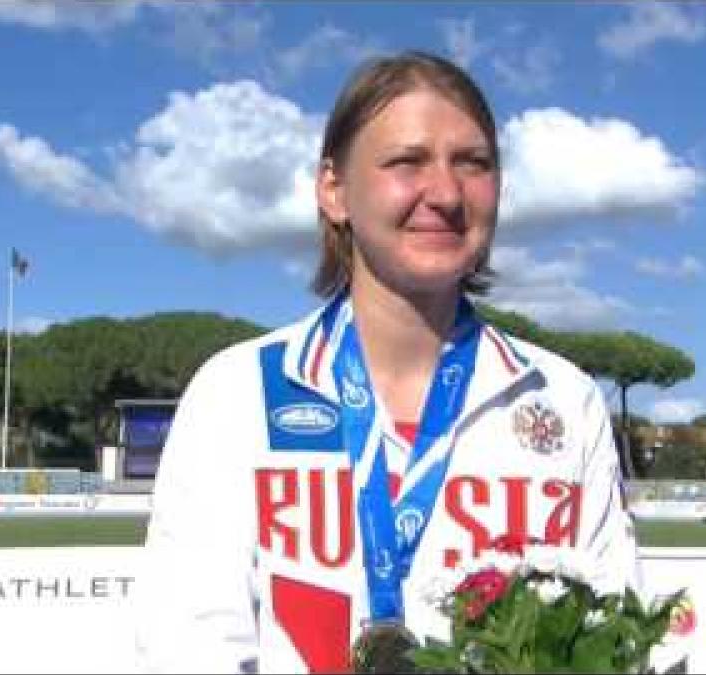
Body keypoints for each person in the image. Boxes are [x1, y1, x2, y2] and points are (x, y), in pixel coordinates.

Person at [135, 50, 640, 674]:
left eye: (473, 163)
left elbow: (616, 636)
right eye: (407, 161)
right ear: (333, 189)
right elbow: (189, 648)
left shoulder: (564, 398)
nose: (447, 193)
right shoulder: (237, 391)